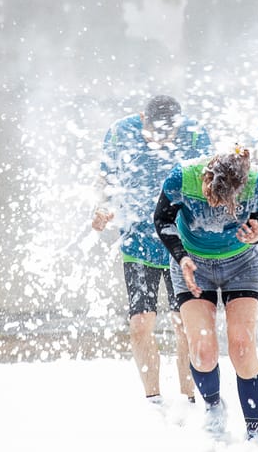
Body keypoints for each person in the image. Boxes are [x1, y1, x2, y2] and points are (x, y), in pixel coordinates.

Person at [91, 94, 212, 404]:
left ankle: (189, 398)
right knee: (140, 322)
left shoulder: (196, 136)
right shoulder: (120, 133)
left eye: (167, 134)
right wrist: (102, 207)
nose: (161, 141)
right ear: (142, 119)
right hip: (138, 241)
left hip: (181, 244)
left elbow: (210, 188)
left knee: (183, 323)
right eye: (155, 134)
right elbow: (105, 179)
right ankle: (153, 400)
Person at [153, 146, 258, 444]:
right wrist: (180, 257)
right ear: (206, 178)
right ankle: (213, 405)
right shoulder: (182, 177)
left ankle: (256, 432)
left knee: (242, 347)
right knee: (203, 351)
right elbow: (162, 220)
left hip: (241, 263)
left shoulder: (257, 182)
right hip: (193, 263)